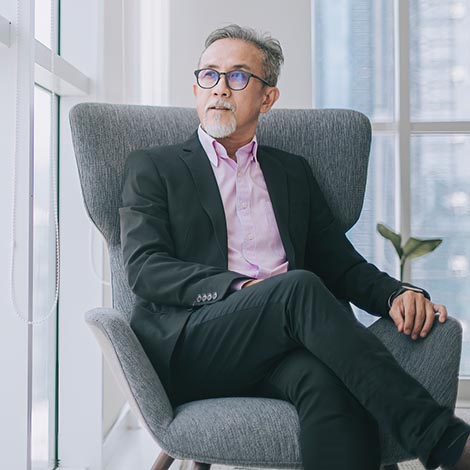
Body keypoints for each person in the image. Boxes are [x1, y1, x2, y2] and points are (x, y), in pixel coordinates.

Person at [119, 24, 470, 470]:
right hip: (196, 343)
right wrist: (239, 289)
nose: (220, 88)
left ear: (268, 98)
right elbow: (145, 268)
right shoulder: (155, 167)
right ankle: (447, 443)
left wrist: (395, 294)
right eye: (210, 75)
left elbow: (340, 264)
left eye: (238, 77)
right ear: (195, 88)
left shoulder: (291, 173)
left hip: (284, 345)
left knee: (332, 387)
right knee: (297, 288)